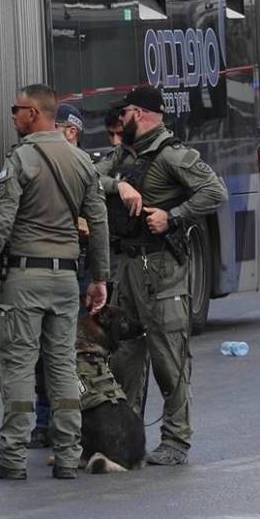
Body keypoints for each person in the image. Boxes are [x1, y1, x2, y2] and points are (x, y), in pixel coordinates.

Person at [0, 85, 110, 481]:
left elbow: (0, 222)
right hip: (66, 278)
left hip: (24, 278)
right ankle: (67, 457)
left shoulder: (21, 160)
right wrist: (101, 277)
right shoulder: (81, 161)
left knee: (19, 366)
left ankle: (12, 459)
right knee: (63, 365)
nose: (13, 115)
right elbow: (98, 223)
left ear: (33, 113)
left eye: (16, 109)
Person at [99, 85, 227, 466]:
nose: (120, 120)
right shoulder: (123, 156)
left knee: (169, 357)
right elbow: (86, 178)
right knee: (124, 356)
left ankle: (176, 441)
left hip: (163, 269)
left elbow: (215, 191)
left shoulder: (172, 155)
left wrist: (173, 217)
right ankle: (126, 436)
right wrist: (118, 185)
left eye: (124, 114)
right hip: (129, 268)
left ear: (139, 114)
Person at [27, 101, 85, 450]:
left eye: (56, 129)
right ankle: (43, 421)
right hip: (44, 270)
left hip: (75, 272)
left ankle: (68, 426)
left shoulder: (83, 168)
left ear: (71, 132)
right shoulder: (38, 164)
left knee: (66, 354)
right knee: (39, 354)